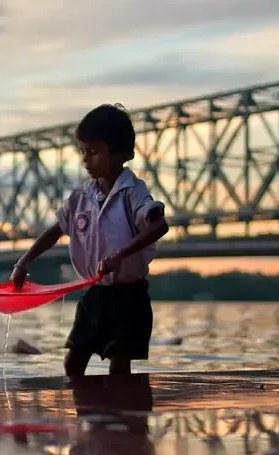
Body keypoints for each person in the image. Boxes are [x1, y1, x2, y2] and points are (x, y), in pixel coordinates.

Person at [10, 103, 169, 378]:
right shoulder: (79, 198)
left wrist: (120, 254)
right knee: (74, 362)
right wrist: (24, 261)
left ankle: (122, 418)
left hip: (129, 297)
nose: (86, 159)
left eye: (94, 152)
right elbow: (55, 230)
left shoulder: (134, 193)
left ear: (122, 155)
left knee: (120, 363)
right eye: (83, 152)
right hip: (95, 295)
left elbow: (159, 226)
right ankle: (86, 417)